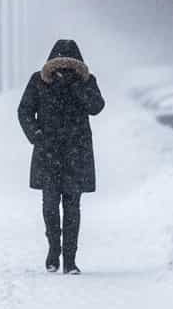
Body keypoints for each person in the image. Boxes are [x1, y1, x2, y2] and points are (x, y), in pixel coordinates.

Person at [17, 38, 106, 275]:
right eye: (61, 64)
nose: (65, 68)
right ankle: (54, 248)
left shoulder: (86, 81)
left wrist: (78, 85)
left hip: (76, 153)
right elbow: (24, 110)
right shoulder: (39, 81)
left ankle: (70, 259)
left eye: (70, 65)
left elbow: (97, 107)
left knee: (72, 207)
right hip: (48, 152)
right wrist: (36, 135)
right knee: (49, 205)